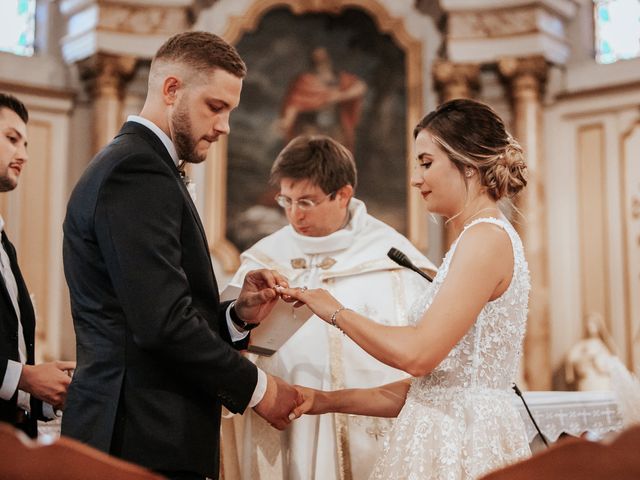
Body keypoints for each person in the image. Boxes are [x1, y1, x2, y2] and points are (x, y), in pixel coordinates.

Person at [61, 32, 301, 480]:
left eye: (230, 110)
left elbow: (153, 305)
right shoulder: (137, 170)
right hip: (136, 434)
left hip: (146, 427)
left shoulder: (144, 164)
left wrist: (236, 316)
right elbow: (162, 324)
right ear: (172, 90)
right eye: (216, 106)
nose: (225, 125)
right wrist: (259, 390)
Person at [280, 99, 532, 479]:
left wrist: (335, 311)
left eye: (426, 163)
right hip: (444, 427)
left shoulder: (484, 239)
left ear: (467, 163)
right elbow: (429, 388)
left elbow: (417, 356)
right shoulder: (477, 237)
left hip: (461, 442)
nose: (416, 179)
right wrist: (326, 400)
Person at [228, 134, 436, 480]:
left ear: (343, 195)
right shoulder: (263, 259)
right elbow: (229, 344)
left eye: (306, 202)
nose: (294, 214)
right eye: (286, 200)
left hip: (363, 426)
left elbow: (419, 353)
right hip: (286, 423)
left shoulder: (392, 258)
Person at [0, 93, 75, 438]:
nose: (24, 155)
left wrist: (44, 389)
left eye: (26, 143)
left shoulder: (5, 244)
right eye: (12, 139)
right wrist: (25, 377)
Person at [279, 47, 366, 152]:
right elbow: (294, 103)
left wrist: (340, 96)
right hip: (311, 128)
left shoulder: (340, 78)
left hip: (334, 129)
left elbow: (360, 87)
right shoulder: (305, 80)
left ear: (328, 60)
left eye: (322, 59)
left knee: (334, 159)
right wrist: (287, 121)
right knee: (311, 158)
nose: (320, 62)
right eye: (316, 59)